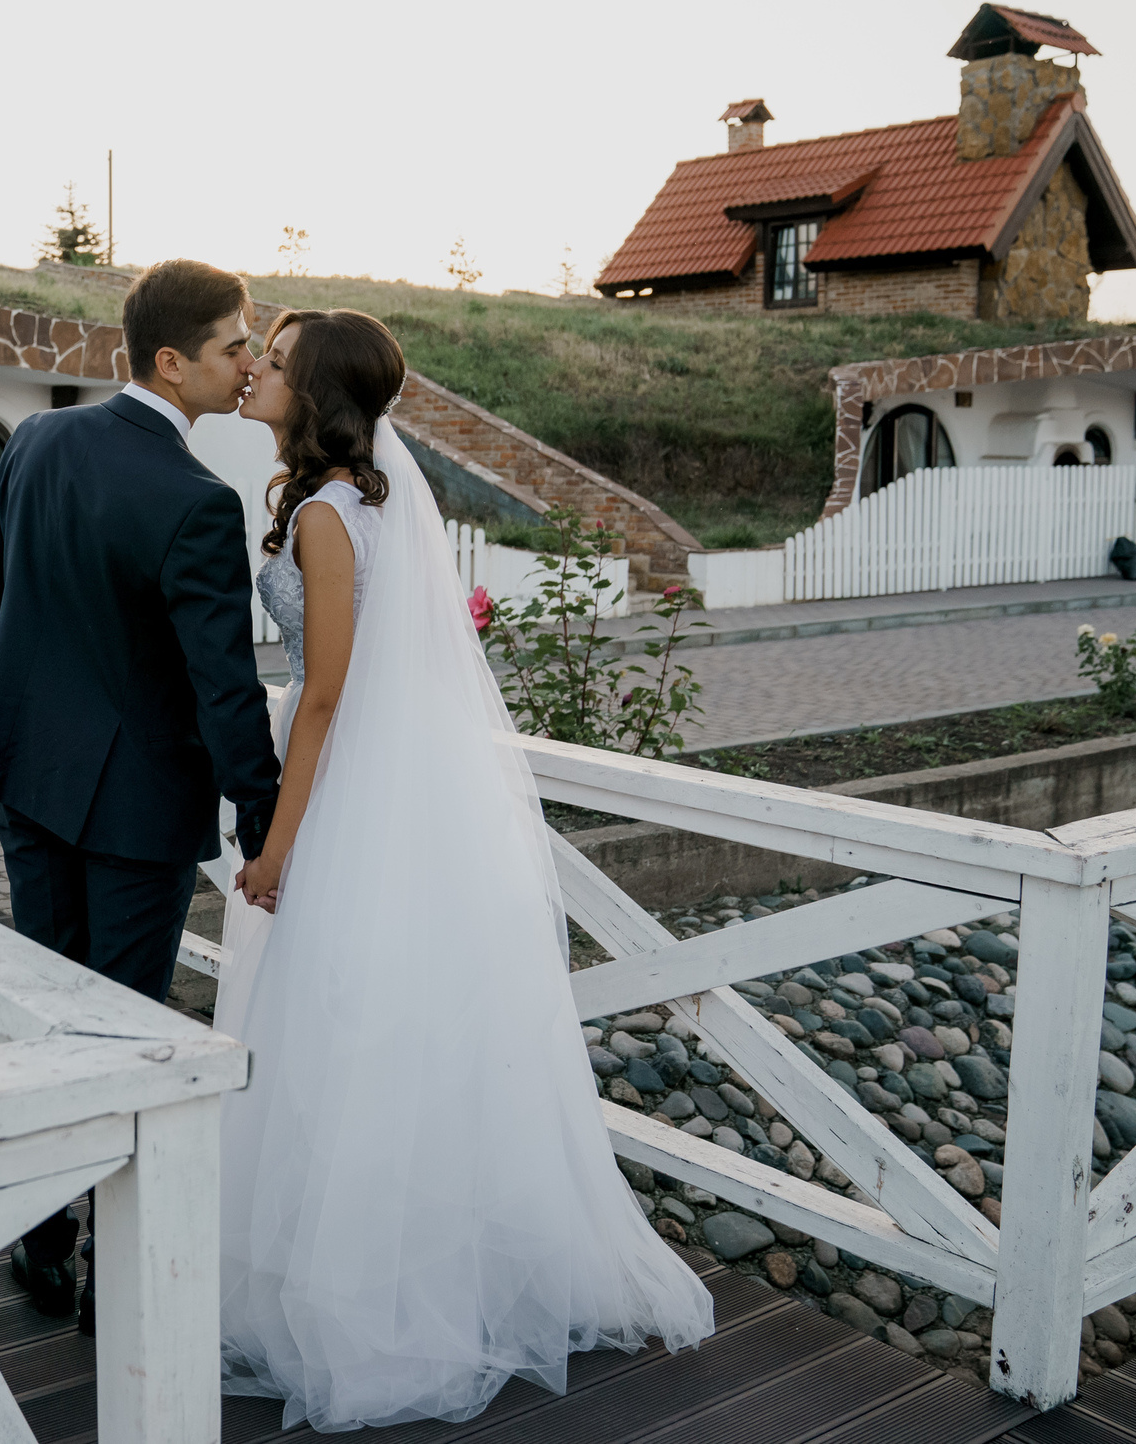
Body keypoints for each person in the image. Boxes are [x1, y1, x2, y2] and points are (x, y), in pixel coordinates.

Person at [215, 308, 713, 1432]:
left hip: (346, 790)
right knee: (393, 1021)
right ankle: (412, 1252)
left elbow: (329, 695)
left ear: (320, 394)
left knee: (349, 1022)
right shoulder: (344, 505)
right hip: (389, 778)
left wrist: (276, 847)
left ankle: (373, 1292)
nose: (256, 372)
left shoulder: (330, 520)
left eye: (277, 365)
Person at [0, 257, 284, 1333]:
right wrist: (263, 816)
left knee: (48, 1015)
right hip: (136, 807)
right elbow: (222, 688)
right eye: (236, 346)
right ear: (171, 360)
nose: (248, 364)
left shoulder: (38, 441)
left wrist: (74, 659)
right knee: (127, 1031)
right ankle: (112, 1274)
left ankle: (41, 1239)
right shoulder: (195, 501)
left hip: (29, 777)